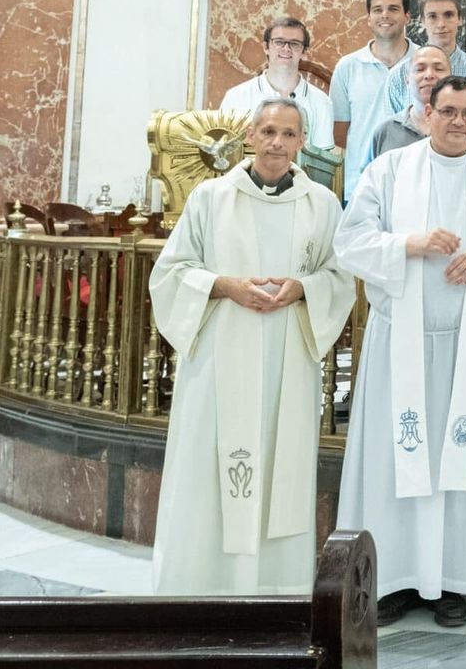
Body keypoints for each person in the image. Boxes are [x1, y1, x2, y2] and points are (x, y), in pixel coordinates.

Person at [335, 76, 466, 629]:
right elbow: (350, 240)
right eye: (448, 111)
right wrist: (409, 245)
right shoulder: (390, 171)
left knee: (457, 463)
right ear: (426, 113)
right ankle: (395, 577)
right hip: (403, 344)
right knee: (399, 460)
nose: (459, 122)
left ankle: (451, 581)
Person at [149, 98, 356, 594]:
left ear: (301, 142)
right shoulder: (210, 198)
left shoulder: (322, 205)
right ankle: (198, 587)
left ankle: (276, 591)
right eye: (267, 132)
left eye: (287, 134)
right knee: (209, 466)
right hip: (221, 353)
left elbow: (341, 275)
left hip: (289, 355)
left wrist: (304, 288)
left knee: (280, 469)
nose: (277, 143)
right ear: (248, 137)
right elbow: (171, 274)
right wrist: (226, 286)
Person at [331, 0, 415, 201]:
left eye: (393, 9)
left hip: (413, 184)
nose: (385, 15)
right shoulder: (348, 66)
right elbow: (339, 133)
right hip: (360, 186)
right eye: (377, 10)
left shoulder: (424, 63)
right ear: (368, 18)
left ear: (407, 16)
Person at [384, 0, 466, 131]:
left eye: (448, 15)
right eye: (432, 16)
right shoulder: (398, 75)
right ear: (422, 21)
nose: (441, 24)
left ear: (460, 19)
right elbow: (393, 133)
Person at [220, 16, 334, 148]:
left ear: (304, 52)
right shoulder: (235, 97)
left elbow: (323, 163)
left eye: (294, 43)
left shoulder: (322, 102)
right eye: (279, 42)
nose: (286, 48)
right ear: (266, 47)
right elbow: (225, 155)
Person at [371, 45, 466, 158]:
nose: (429, 75)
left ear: (450, 77)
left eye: (439, 69)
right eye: (420, 69)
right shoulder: (385, 131)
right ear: (407, 79)